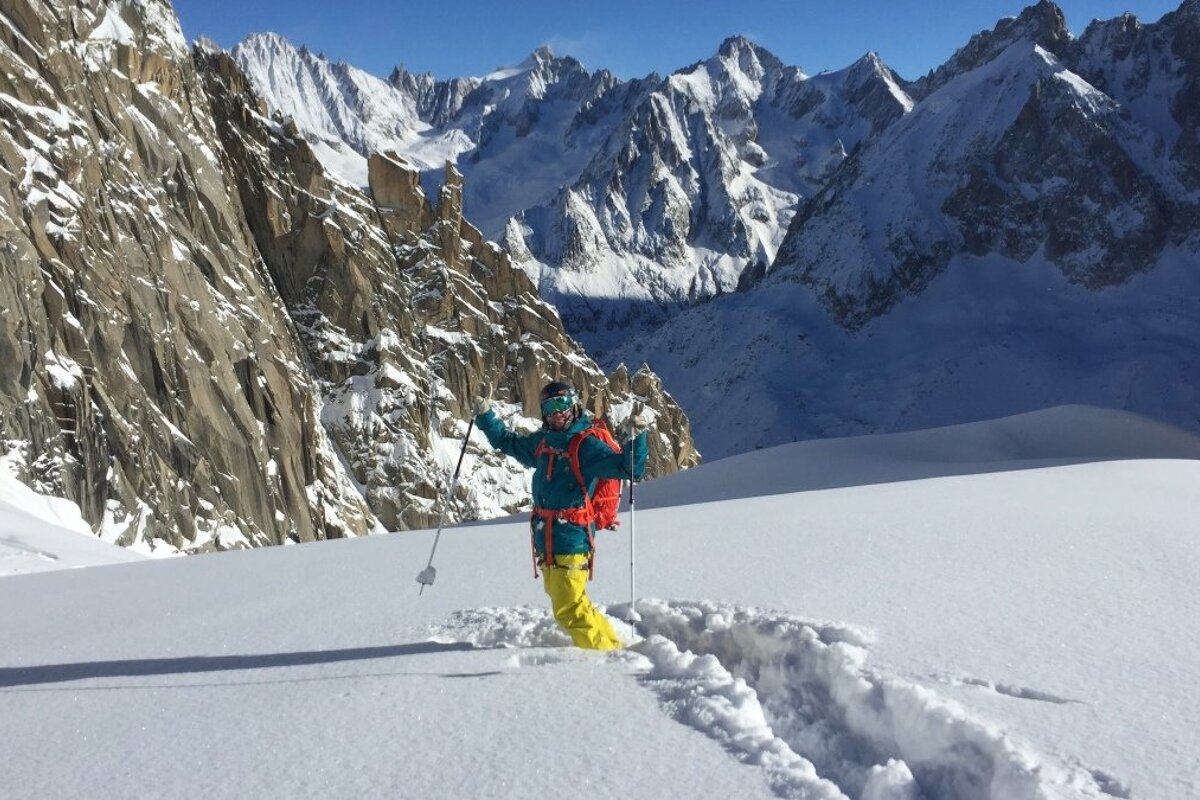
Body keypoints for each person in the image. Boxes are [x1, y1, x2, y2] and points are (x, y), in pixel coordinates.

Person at [471, 379, 650, 650]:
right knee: (573, 602)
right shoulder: (544, 442)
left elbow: (628, 469)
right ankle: (613, 647)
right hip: (547, 538)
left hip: (571, 537)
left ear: (574, 405)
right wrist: (485, 415)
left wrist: (638, 436)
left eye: (562, 404)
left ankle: (608, 660)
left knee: (568, 610)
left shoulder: (585, 445)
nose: (557, 413)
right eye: (550, 406)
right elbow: (507, 442)